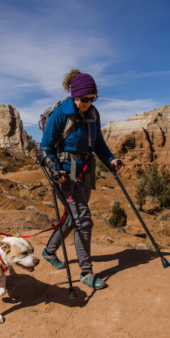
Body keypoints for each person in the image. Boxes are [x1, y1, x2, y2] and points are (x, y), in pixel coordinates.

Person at [39, 69, 123, 289]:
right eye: (85, 99)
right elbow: (45, 146)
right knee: (83, 220)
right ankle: (86, 272)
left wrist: (112, 160)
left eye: (92, 98)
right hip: (65, 172)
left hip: (84, 168)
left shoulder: (93, 114)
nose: (89, 102)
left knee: (72, 217)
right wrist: (54, 169)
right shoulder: (60, 114)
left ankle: (49, 252)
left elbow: (99, 145)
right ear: (75, 95)